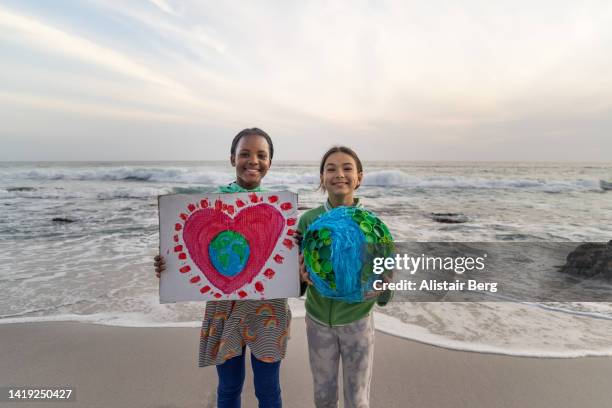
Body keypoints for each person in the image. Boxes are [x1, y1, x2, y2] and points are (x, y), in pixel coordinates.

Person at [154, 128, 289, 408]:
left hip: (268, 309)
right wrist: (168, 267)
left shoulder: (284, 210)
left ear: (270, 163)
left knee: (268, 389)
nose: (253, 161)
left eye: (261, 155)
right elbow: (185, 250)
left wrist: (296, 248)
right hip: (224, 308)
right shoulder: (208, 205)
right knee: (228, 387)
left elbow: (289, 261)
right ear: (232, 159)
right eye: (245, 154)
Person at [297, 146, 391, 408]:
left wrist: (383, 288)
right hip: (317, 320)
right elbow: (300, 274)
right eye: (331, 168)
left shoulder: (370, 224)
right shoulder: (308, 221)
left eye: (347, 168)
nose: (339, 174)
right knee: (323, 394)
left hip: (357, 320)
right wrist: (300, 277)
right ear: (322, 178)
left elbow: (384, 273)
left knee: (357, 397)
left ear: (359, 177)